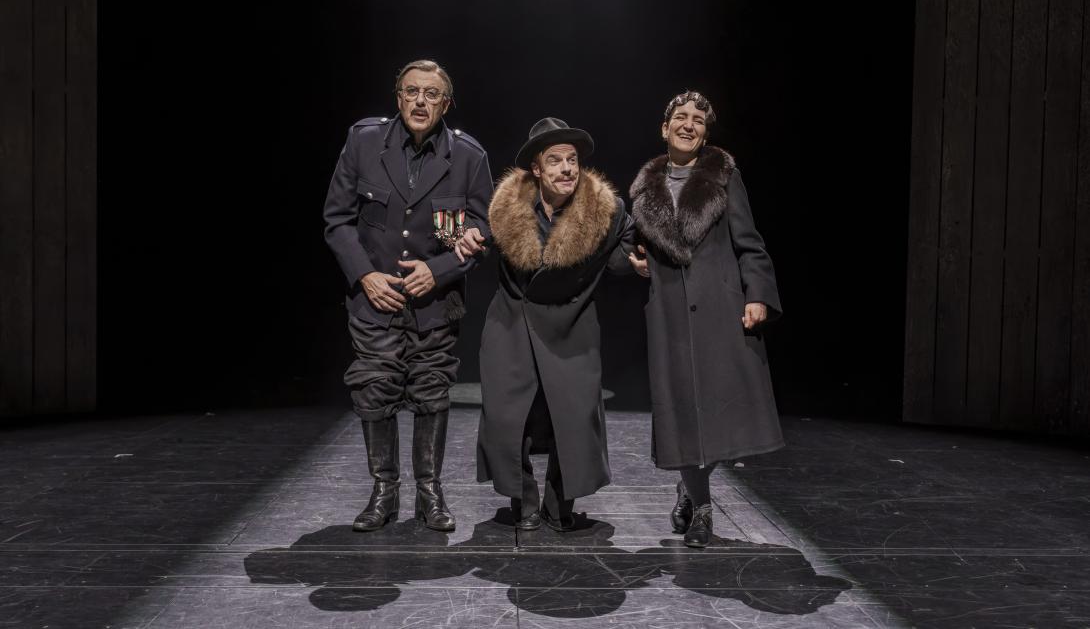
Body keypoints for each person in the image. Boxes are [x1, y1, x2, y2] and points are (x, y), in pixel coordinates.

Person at [323, 59, 493, 532]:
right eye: (412, 91)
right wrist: (365, 276)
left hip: (435, 303)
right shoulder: (364, 141)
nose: (420, 101)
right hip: (374, 298)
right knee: (374, 388)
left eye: (431, 94)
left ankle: (429, 492)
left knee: (431, 391)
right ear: (398, 97)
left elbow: (483, 229)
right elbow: (337, 220)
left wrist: (438, 271)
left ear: (447, 104)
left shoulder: (469, 156)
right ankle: (384, 491)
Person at [462, 117, 634, 531]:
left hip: (571, 322)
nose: (567, 169)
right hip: (512, 320)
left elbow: (626, 245)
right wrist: (465, 237)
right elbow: (475, 236)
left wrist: (632, 261)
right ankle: (522, 499)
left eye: (572, 160)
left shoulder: (605, 210)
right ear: (537, 169)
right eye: (555, 160)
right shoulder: (506, 208)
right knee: (509, 418)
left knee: (572, 418)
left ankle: (560, 504)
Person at [628, 90, 783, 548]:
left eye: (698, 120)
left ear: (705, 133)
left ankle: (690, 488)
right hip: (670, 317)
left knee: (723, 413)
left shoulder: (723, 177)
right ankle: (702, 507)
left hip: (720, 310)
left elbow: (749, 242)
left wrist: (758, 294)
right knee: (681, 415)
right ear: (665, 128)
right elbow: (627, 245)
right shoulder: (644, 190)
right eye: (681, 117)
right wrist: (634, 261)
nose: (688, 124)